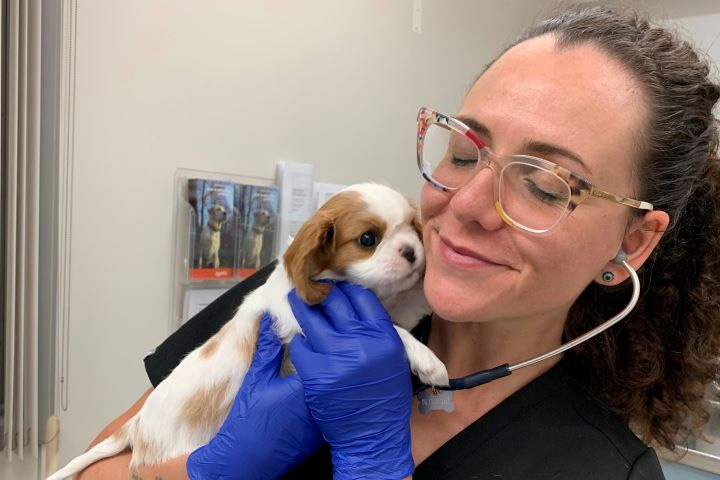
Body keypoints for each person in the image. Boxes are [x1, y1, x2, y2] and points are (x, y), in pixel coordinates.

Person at [77, 6, 720, 479]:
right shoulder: (310, 292)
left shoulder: (595, 470)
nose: (463, 206)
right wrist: (201, 473)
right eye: (465, 150)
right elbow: (88, 470)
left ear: (632, 242)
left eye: (546, 186)